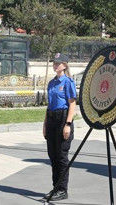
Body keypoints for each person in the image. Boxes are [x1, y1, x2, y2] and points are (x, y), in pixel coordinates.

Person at [44, 52, 76, 202]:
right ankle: (55, 187)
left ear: (64, 65)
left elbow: (72, 104)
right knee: (53, 156)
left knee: (62, 157)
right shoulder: (51, 83)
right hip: (51, 119)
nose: (55, 65)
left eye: (58, 63)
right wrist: (45, 124)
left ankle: (62, 189)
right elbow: (49, 105)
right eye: (54, 63)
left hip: (63, 119)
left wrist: (68, 124)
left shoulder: (67, 82)